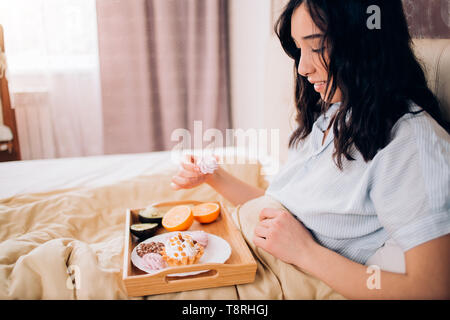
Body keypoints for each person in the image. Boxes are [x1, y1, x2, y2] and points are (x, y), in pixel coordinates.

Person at [171, 0, 450, 299]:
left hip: (270, 280)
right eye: (298, 48)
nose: (303, 68)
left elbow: (431, 289)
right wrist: (215, 177)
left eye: (316, 47)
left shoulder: (410, 143)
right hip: (239, 255)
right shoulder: (335, 112)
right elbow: (281, 210)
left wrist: (305, 252)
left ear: (366, 41)